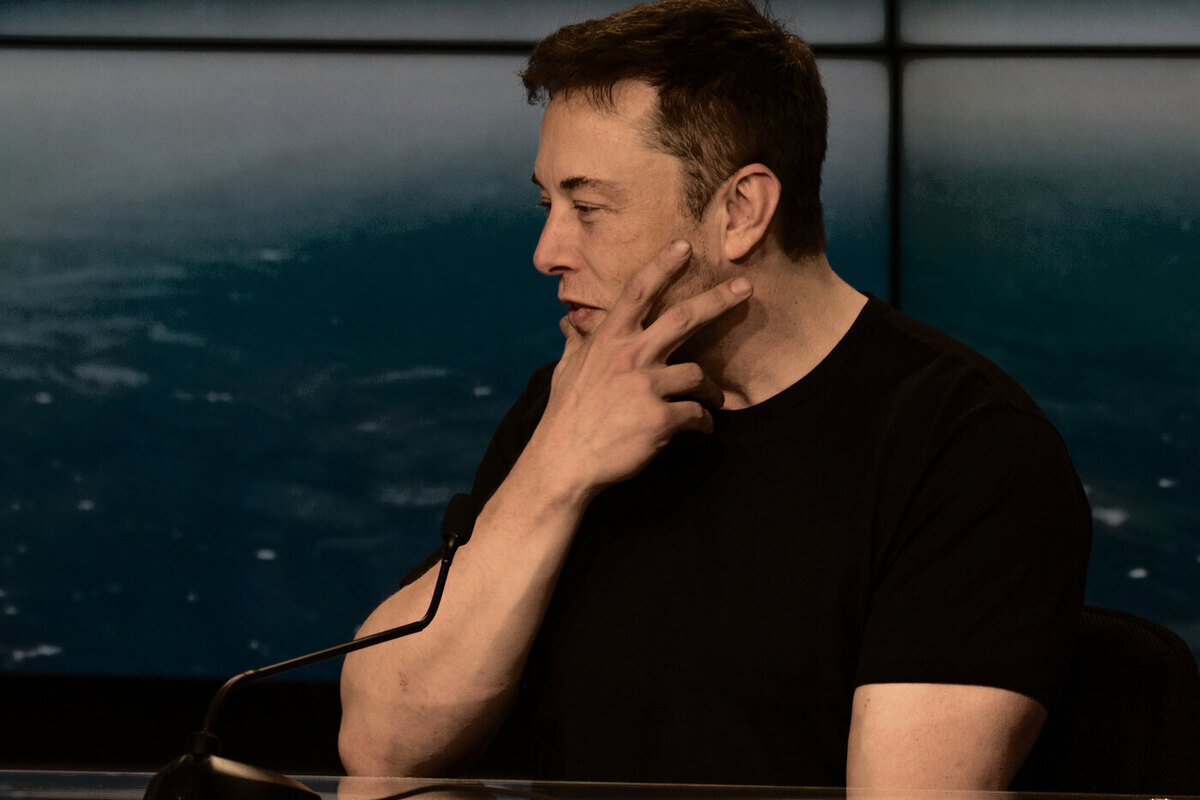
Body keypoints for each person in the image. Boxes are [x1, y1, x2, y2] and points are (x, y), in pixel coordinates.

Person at [339, 0, 1091, 790]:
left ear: (740, 211)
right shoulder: (580, 396)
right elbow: (382, 749)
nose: (547, 251)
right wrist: (554, 471)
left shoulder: (969, 449)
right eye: (547, 205)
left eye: (587, 208)